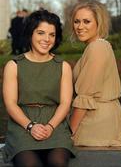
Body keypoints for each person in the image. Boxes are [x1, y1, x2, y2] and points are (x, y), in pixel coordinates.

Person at [2, 9, 75, 167]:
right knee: (29, 164)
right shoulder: (14, 66)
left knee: (58, 162)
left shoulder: (63, 67)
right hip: (22, 124)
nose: (47, 39)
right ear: (30, 34)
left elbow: (65, 103)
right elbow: (10, 103)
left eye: (52, 34)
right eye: (41, 33)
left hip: (55, 124)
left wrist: (50, 126)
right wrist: (30, 126)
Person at [70, 0, 121, 147]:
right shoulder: (97, 47)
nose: (80, 26)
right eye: (77, 21)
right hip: (104, 119)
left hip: (96, 124)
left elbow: (85, 96)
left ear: (98, 22)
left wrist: (69, 132)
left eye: (86, 21)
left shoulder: (97, 48)